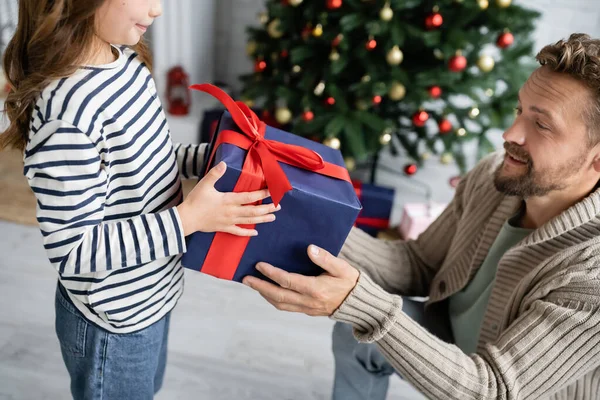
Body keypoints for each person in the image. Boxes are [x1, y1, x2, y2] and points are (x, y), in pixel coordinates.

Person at [243, 33, 600, 400]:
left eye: (541, 125)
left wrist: (368, 307)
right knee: (357, 334)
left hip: (500, 388)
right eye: (519, 111)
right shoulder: (496, 178)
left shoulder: (593, 277)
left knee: (367, 316)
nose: (510, 135)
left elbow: (494, 391)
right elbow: (418, 265)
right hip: (464, 345)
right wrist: (311, 215)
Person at [1, 1, 279, 398]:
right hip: (110, 323)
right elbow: (73, 249)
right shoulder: (68, 113)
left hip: (151, 296)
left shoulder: (127, 66)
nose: (158, 9)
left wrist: (214, 161)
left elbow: (148, 161)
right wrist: (187, 219)